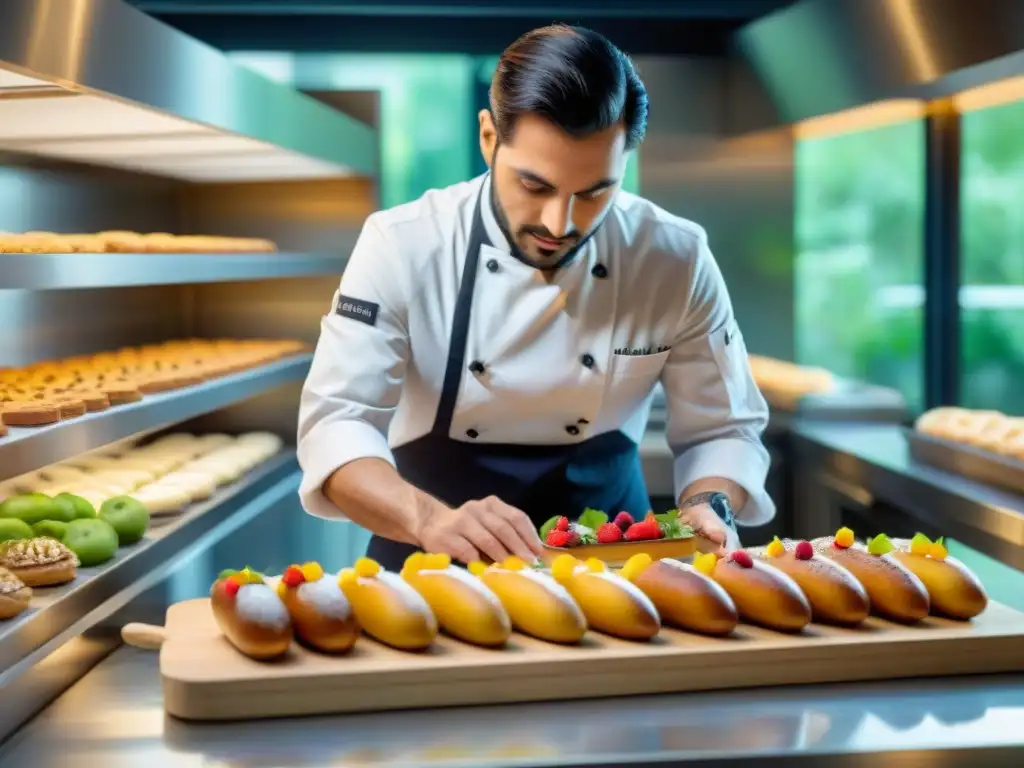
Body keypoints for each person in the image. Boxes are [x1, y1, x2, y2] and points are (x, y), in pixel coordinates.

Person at [297, 23, 774, 571]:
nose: (560, 223)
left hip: (618, 562)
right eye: (535, 185)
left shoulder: (673, 256)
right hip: (427, 554)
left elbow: (724, 426)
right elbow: (336, 423)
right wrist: (428, 520)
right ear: (487, 139)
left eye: (595, 192)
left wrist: (707, 505)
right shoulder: (403, 244)